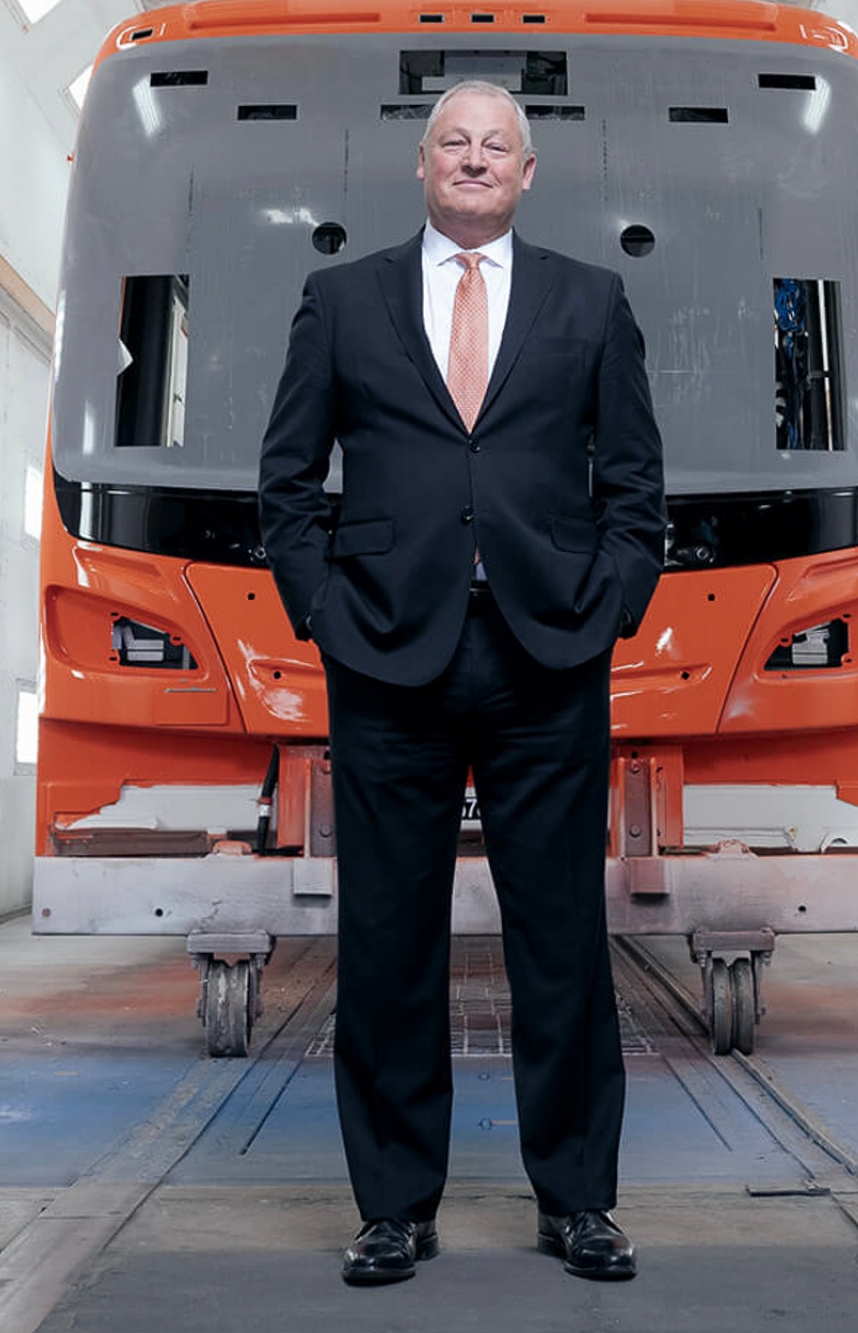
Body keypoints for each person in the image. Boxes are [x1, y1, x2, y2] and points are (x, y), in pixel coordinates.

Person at [256, 78, 665, 1286]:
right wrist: (323, 611)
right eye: (455, 141)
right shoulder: (341, 301)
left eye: (498, 145)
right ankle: (394, 1207)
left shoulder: (593, 301)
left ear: (528, 174)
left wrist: (610, 607)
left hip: (548, 655)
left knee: (562, 942)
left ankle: (577, 1201)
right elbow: (285, 482)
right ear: (422, 163)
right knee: (385, 942)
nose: (475, 159)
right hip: (386, 655)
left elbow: (636, 486)